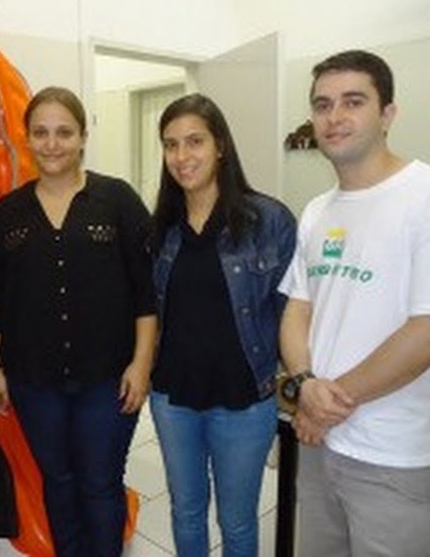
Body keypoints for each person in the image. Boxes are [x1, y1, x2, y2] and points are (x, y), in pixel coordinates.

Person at [279, 50, 430, 557]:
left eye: (353, 102)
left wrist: (322, 405)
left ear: (387, 113)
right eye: (322, 105)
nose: (334, 116)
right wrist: (305, 383)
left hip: (393, 451)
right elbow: (297, 310)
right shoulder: (317, 211)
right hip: (321, 441)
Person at [0, 86, 156, 557]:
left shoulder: (117, 200)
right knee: (57, 481)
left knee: (100, 483)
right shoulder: (8, 212)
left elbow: (147, 293)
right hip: (33, 381)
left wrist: (141, 364)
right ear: (27, 138)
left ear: (82, 137)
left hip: (107, 379)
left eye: (64, 132)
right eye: (41, 133)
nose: (52, 144)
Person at [150, 93, 296, 557]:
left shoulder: (268, 220)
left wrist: (298, 382)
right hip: (173, 398)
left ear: (221, 147)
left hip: (244, 400)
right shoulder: (161, 227)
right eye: (171, 144)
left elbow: (293, 313)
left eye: (194, 141)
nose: (182, 156)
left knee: (237, 521)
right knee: (186, 511)